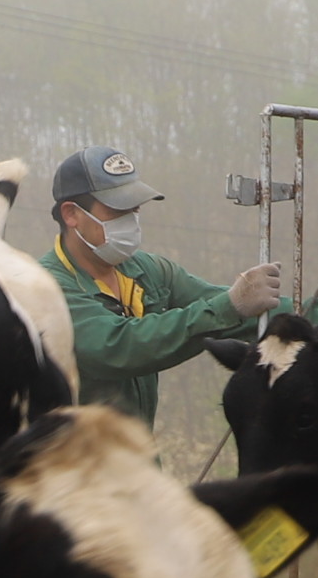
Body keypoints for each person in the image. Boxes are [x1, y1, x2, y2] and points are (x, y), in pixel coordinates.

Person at [37, 146, 284, 426]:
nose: (130, 218)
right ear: (71, 214)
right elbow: (116, 346)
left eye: (134, 207)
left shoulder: (148, 271)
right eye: (117, 209)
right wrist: (229, 307)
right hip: (76, 464)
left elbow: (238, 307)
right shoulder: (47, 287)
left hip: (139, 456)